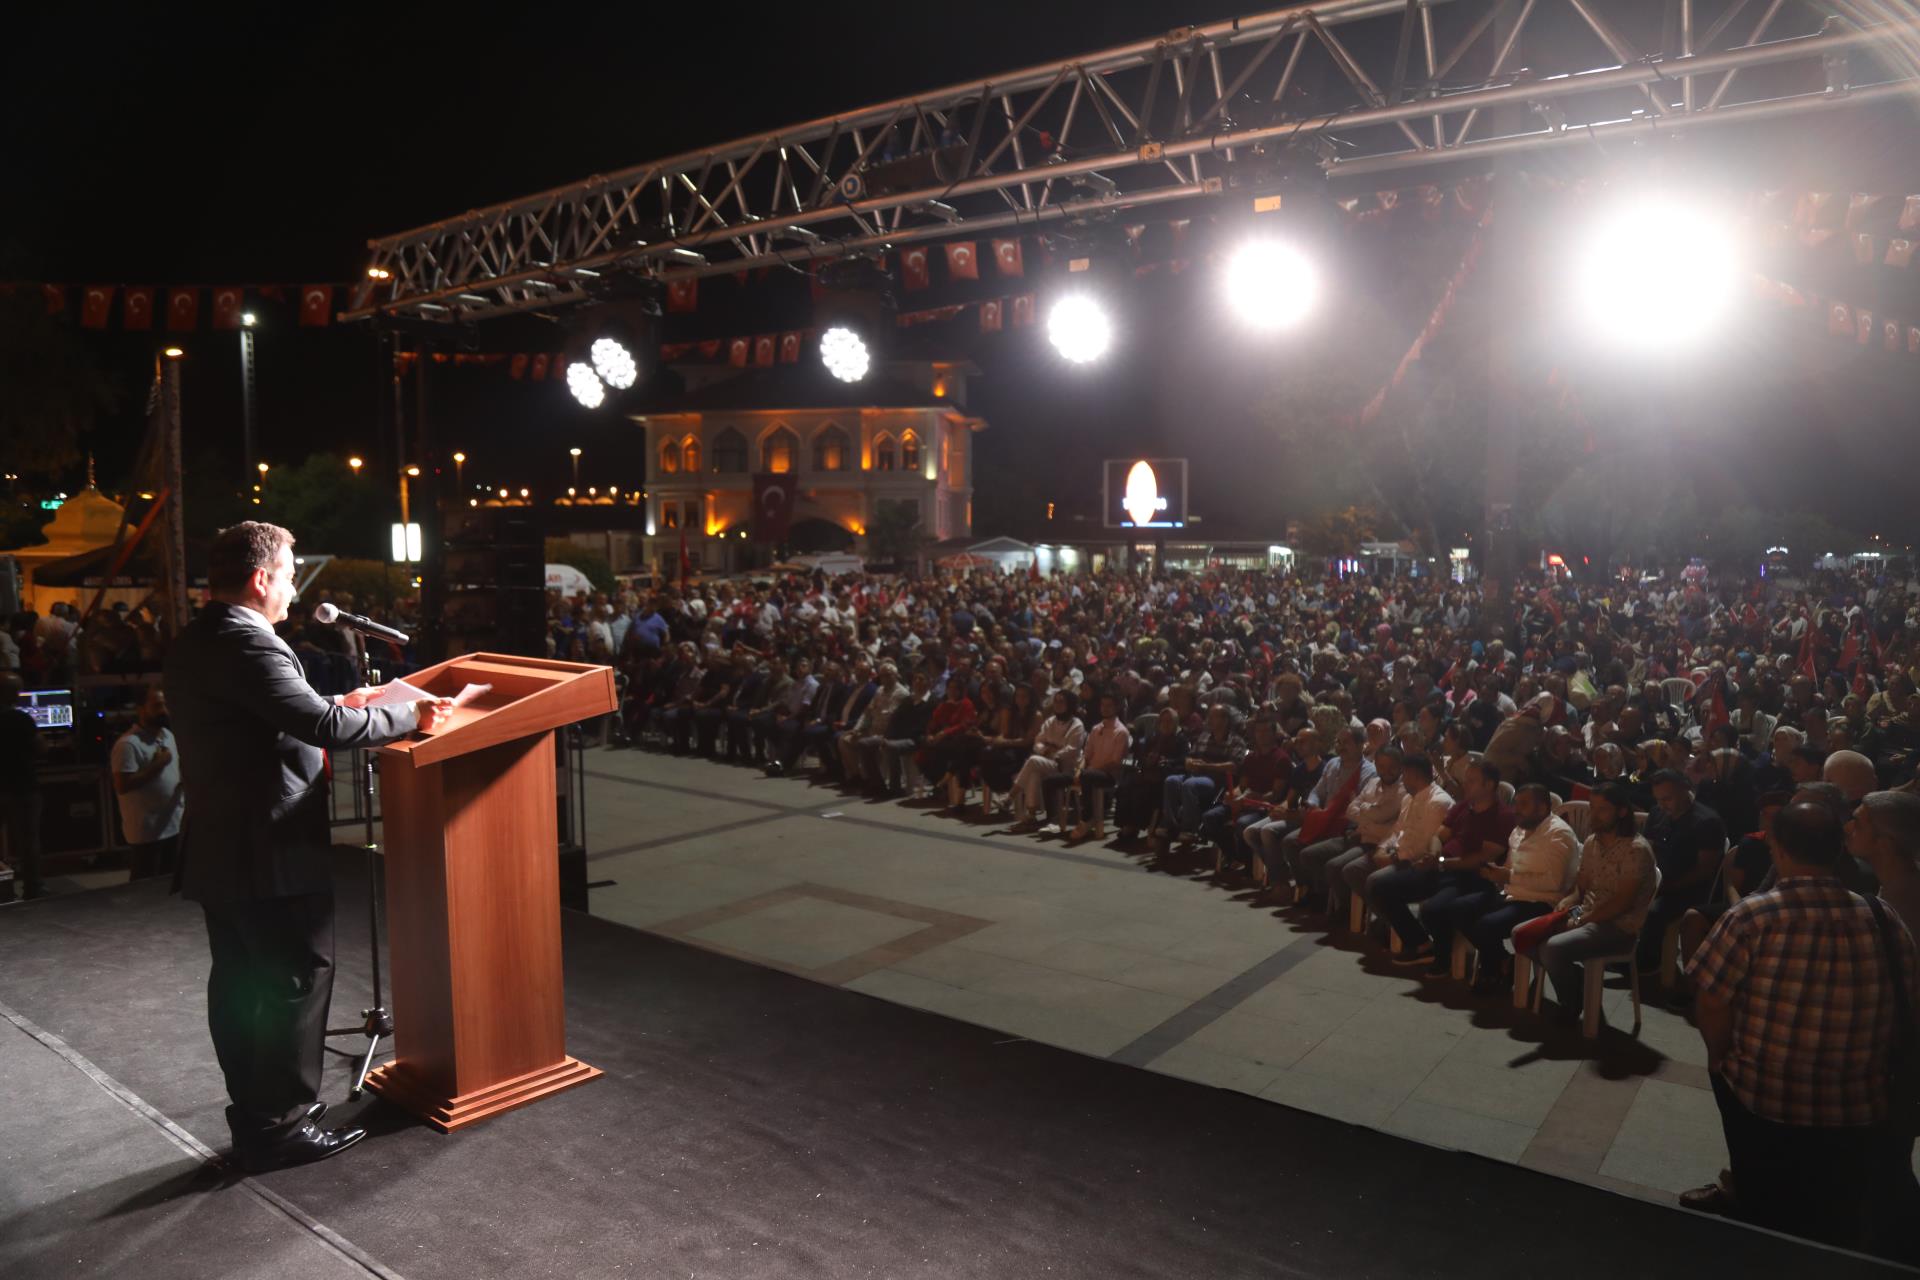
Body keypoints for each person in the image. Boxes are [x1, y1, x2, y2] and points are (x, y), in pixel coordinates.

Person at [165, 522, 453, 1174]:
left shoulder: (199, 637)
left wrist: (342, 700)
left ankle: (257, 1116)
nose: (294, 589)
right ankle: (282, 1127)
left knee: (242, 982)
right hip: (268, 847)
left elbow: (264, 715)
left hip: (221, 844)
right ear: (260, 578)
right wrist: (410, 716)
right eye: (290, 576)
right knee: (296, 980)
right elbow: (318, 726)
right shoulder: (250, 643)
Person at [1686, 801, 1919, 1260]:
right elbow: (1907, 1002)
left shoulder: (1752, 917)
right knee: (1832, 1202)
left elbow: (1712, 1000)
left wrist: (1719, 1054)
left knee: (1734, 1097)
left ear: (1778, 849)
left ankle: (1751, 1199)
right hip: (1859, 1098)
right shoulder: (1883, 917)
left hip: (1763, 1093)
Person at [1370, 759, 1516, 973]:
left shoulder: (1502, 816)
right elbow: (1439, 835)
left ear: (1489, 785)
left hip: (1471, 878)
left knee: (1433, 909)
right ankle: (1420, 943)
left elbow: (1482, 858)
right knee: (1381, 886)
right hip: (1442, 868)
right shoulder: (1464, 806)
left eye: (1472, 781)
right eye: (1466, 779)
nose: (1465, 784)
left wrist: (1441, 862)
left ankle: (1443, 957)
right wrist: (1434, 853)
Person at [1448, 784, 1579, 993]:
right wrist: (1496, 874)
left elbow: (1554, 883)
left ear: (1542, 808)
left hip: (1541, 901)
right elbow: (1510, 867)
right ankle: (1502, 960)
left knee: (1486, 925)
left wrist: (1508, 876)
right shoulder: (1519, 829)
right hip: (1511, 893)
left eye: (1524, 804)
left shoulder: (1558, 834)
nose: (1516, 809)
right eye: (1516, 803)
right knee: (1458, 908)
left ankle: (1493, 970)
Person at [1638, 770, 1727, 982]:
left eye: (1667, 799)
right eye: (1658, 799)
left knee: (1653, 911)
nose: (1662, 805)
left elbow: (1704, 871)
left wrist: (1667, 886)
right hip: (1659, 880)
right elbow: (1647, 849)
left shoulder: (1706, 822)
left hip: (1688, 888)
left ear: (1684, 790)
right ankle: (1624, 952)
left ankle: (1648, 965)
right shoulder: (1658, 813)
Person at [111, 685, 185, 881]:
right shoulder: (128, 744)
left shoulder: (168, 735)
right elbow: (122, 785)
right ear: (141, 709)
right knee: (145, 887)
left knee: (170, 884)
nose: (164, 710)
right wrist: (158, 765)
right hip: (147, 833)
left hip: (173, 825)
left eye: (166, 705)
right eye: (157, 705)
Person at [0, 672, 44, 900]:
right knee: (28, 841)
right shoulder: (20, 718)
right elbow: (40, 748)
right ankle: (33, 889)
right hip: (22, 786)